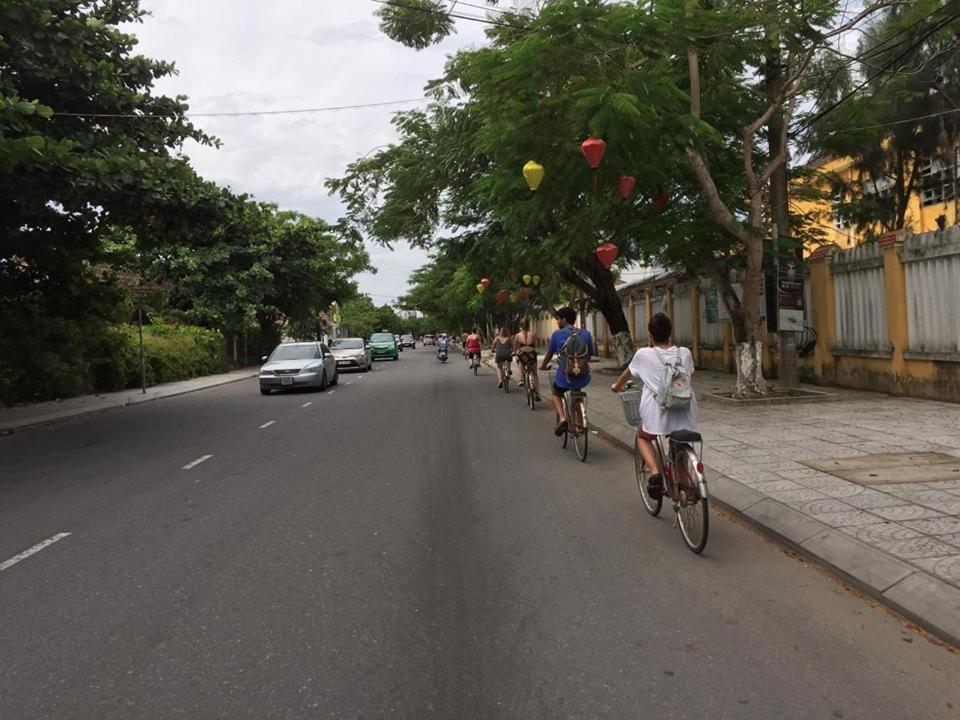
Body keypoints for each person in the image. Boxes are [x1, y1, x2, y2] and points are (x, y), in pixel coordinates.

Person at [610, 312, 699, 499]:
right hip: (685, 410)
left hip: (657, 412)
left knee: (642, 435)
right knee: (679, 443)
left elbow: (627, 374)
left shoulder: (643, 355)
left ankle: (655, 472)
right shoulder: (685, 353)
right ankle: (685, 483)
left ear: (650, 335)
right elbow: (690, 374)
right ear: (670, 333)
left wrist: (616, 386)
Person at [540, 307, 595, 436]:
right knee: (577, 391)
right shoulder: (586, 334)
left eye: (558, 319)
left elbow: (548, 355)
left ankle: (563, 418)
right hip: (582, 375)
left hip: (564, 377)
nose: (557, 322)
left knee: (556, 392)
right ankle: (580, 421)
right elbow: (590, 354)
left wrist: (543, 366)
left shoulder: (557, 335)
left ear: (564, 320)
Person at [513, 318, 541, 401]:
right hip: (532, 354)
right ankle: (537, 393)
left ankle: (521, 379)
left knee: (520, 361)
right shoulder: (533, 334)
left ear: (520, 326)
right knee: (535, 373)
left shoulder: (518, 335)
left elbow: (515, 347)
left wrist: (515, 352)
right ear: (529, 325)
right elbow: (536, 345)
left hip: (522, 354)